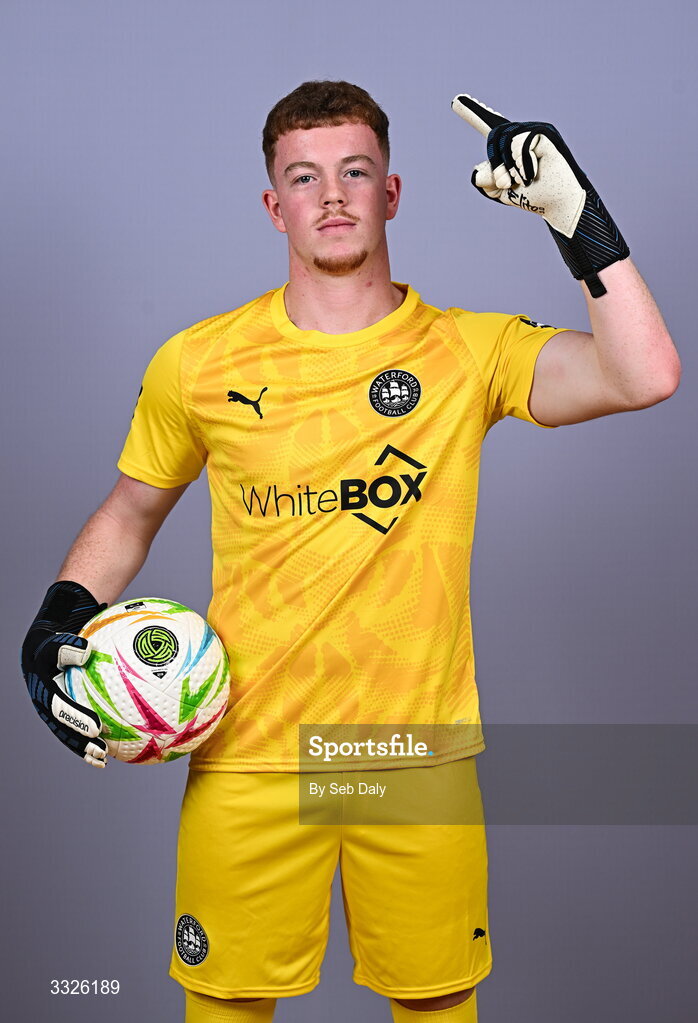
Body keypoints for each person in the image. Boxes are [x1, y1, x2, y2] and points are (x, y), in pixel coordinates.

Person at [21, 80, 681, 1023]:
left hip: (411, 753)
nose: (331, 196)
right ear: (274, 204)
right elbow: (129, 512)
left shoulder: (467, 351)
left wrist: (580, 218)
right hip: (247, 753)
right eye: (304, 177)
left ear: (392, 193)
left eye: (354, 172)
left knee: (435, 1009)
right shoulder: (199, 362)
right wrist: (57, 619)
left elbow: (645, 371)